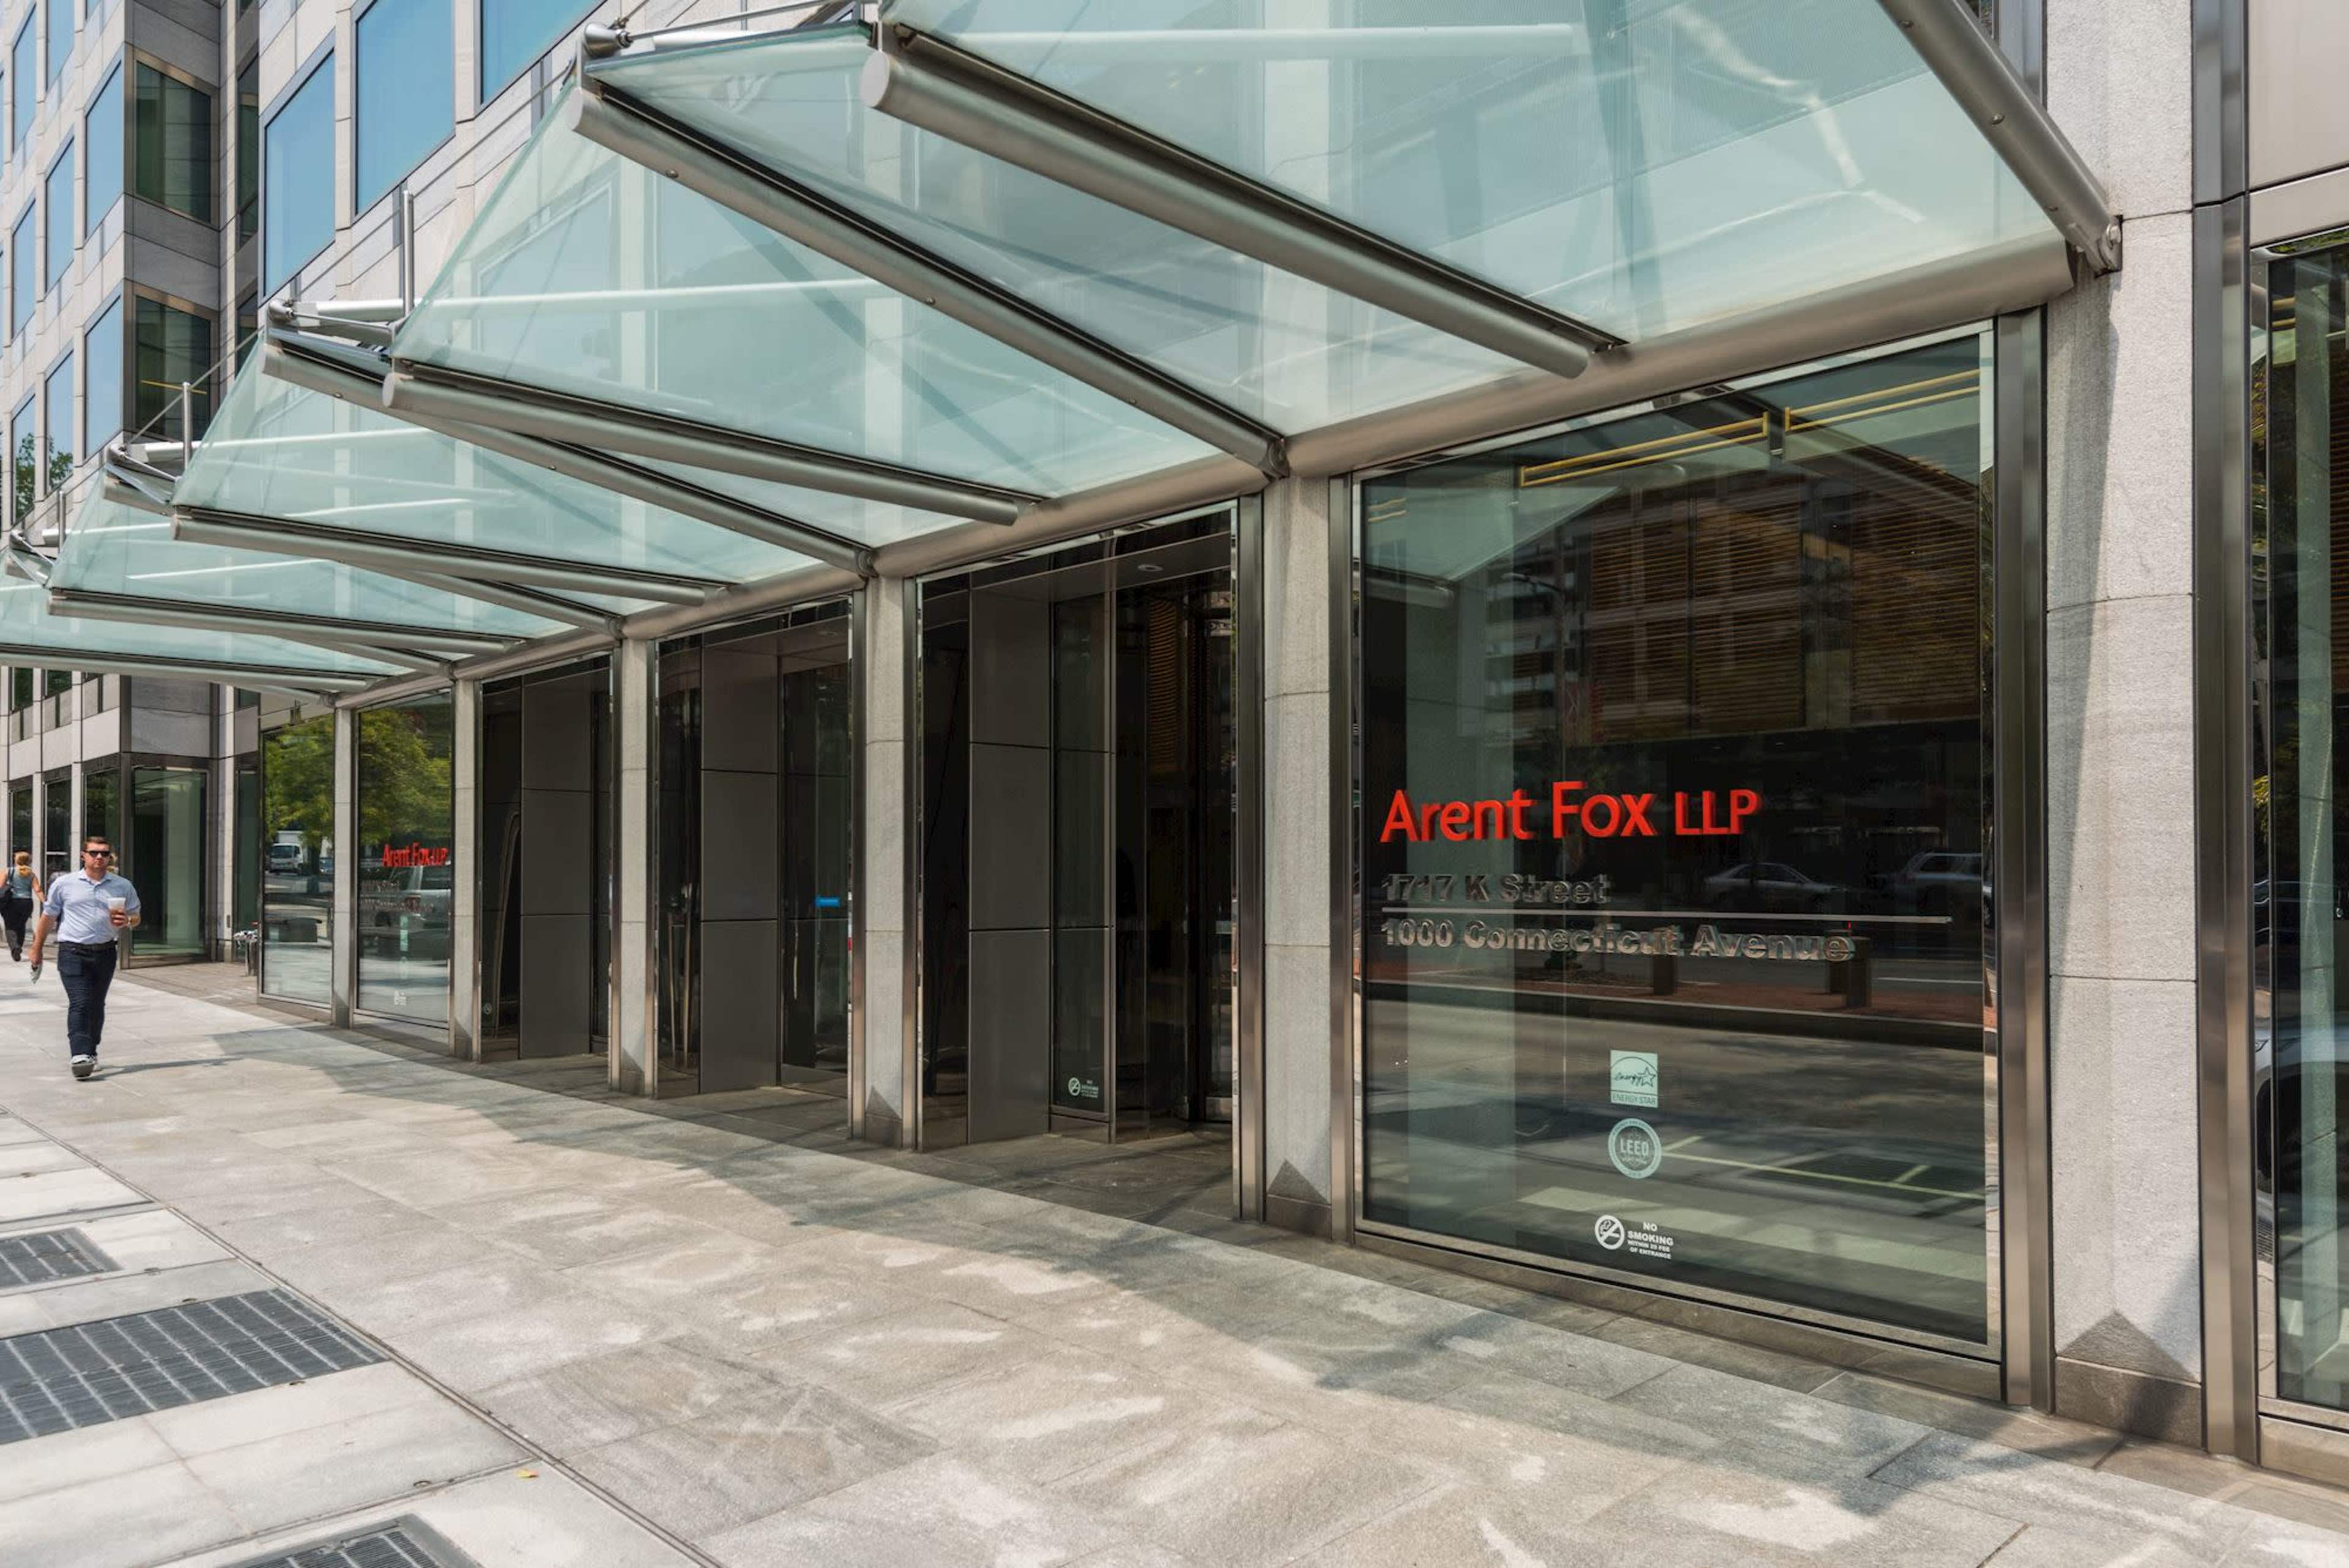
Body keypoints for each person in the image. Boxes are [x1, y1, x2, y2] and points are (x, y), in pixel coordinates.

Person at [27, 834, 141, 1080]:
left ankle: (91, 1050)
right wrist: (36, 949)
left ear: (110, 856)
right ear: (83, 856)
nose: (99, 857)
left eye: (104, 853)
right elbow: (49, 917)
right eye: (94, 853)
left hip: (106, 952)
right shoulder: (65, 884)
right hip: (72, 952)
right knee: (80, 1002)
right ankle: (79, 1055)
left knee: (96, 1005)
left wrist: (128, 922)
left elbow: (136, 916)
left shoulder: (122, 885)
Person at [0, 850, 39, 960]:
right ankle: (19, 947)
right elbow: (38, 889)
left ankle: (15, 948)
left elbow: (1, 886)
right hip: (27, 903)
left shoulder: (9, 871)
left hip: (11, 902)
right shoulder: (31, 874)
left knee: (10, 926)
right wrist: (44, 901)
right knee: (21, 926)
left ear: (16, 860)